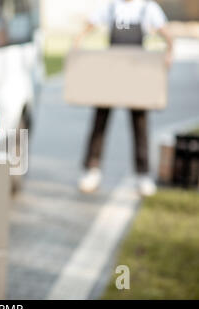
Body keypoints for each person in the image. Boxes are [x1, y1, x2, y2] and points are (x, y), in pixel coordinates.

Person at [74, 0, 173, 196]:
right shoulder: (111, 7)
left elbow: (167, 34)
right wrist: (78, 42)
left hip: (136, 73)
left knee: (140, 124)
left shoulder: (148, 9)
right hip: (112, 71)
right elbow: (88, 26)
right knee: (99, 120)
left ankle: (142, 175)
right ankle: (91, 170)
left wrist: (170, 52)